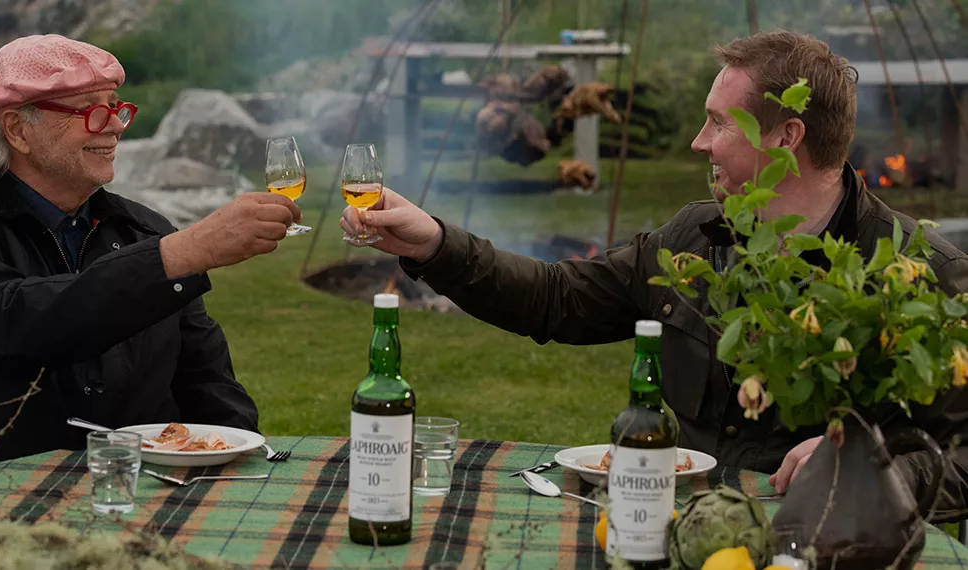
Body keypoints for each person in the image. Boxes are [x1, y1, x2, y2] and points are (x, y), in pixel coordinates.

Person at [341, 30, 968, 521]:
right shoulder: (694, 240)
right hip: (675, 526)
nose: (698, 142)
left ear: (787, 136)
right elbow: (557, 300)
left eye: (718, 123)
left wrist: (872, 464)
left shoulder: (923, 277)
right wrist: (436, 245)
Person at [0, 34, 301, 485]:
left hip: (140, 493)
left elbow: (206, 379)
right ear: (17, 129)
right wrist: (179, 254)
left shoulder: (143, 229)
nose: (113, 126)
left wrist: (237, 454)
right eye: (89, 109)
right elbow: (13, 318)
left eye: (116, 107)